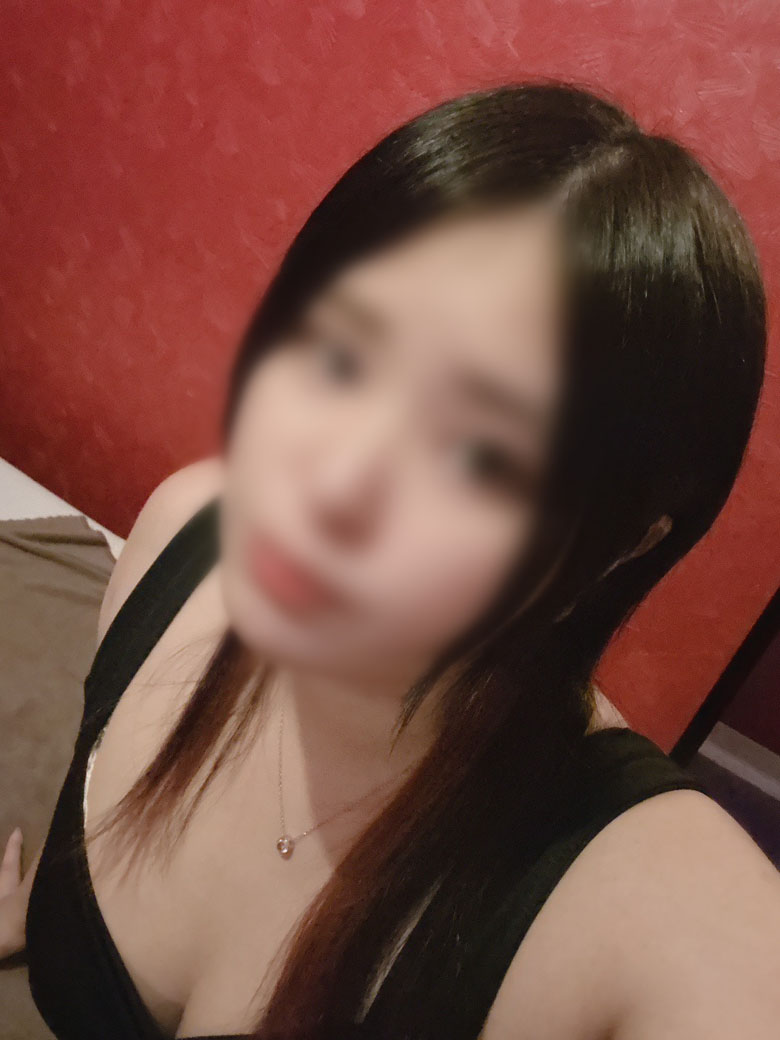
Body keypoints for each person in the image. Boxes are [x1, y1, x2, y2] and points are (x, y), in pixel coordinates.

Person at [3, 80, 780, 1039]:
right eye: (336, 355)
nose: (328, 484)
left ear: (618, 544)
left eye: (479, 456)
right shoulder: (183, 530)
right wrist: (54, 916)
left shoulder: (634, 908)